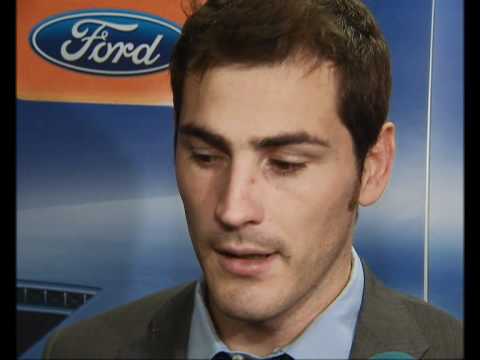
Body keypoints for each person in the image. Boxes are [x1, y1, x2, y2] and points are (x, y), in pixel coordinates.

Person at [43, 0, 463, 359]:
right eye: (206, 156)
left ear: (373, 166)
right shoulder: (78, 350)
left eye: (285, 163)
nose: (232, 209)